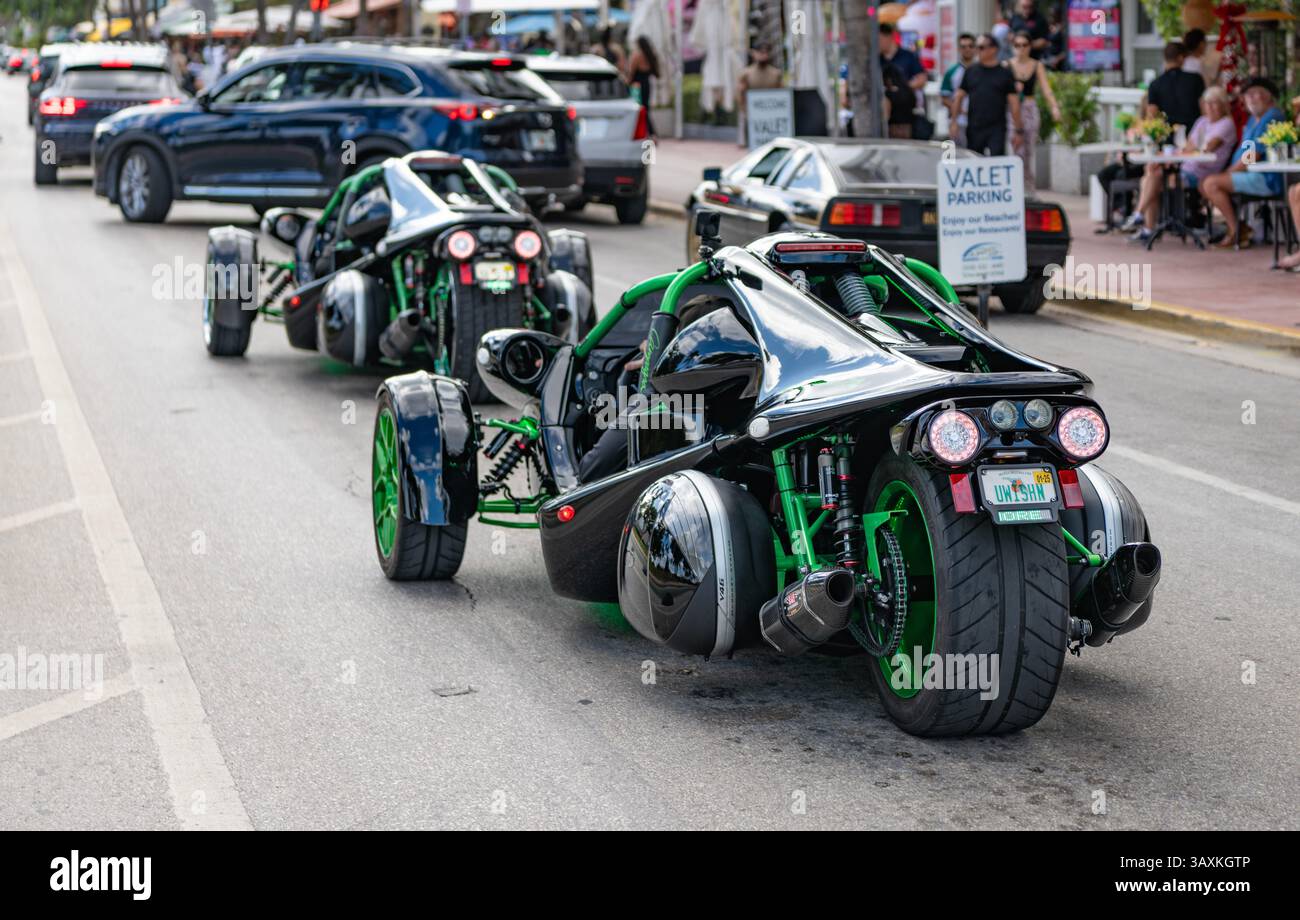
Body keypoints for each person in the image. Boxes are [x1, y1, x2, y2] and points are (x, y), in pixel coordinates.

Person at [1129, 86, 1236, 243]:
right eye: (1208, 103)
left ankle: (1142, 219)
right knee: (1150, 175)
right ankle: (1144, 224)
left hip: (1203, 173)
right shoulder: (1202, 121)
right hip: (1187, 167)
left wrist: (1189, 150)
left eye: (1215, 103)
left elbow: (1208, 147)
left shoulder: (1226, 124)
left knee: (1154, 178)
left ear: (1223, 105)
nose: (1210, 107)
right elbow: (1189, 147)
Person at [1200, 77, 1287, 249]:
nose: (1251, 98)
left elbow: (1252, 155)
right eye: (1248, 95)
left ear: (1268, 97)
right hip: (1248, 174)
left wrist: (1229, 173)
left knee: (1211, 184)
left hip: (1265, 177)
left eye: (1256, 94)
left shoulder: (1272, 116)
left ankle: (1236, 231)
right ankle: (1240, 228)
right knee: (1204, 184)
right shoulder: (1252, 120)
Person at [1007, 31, 1061, 189]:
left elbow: (1046, 89)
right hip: (1012, 110)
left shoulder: (1037, 65)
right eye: (1017, 45)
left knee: (1028, 150)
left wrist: (1054, 107)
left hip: (1029, 109)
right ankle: (1015, 185)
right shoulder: (1007, 65)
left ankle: (1028, 185)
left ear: (1030, 47)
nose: (1021, 49)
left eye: (1024, 45)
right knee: (1016, 149)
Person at [953, 34, 1021, 156]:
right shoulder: (971, 71)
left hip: (997, 128)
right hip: (974, 127)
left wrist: (1018, 130)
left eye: (981, 47)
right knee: (974, 161)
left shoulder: (1005, 73)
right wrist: (954, 122)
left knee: (997, 163)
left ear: (994, 49)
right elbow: (958, 97)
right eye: (977, 47)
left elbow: (1014, 103)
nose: (977, 50)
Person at [1145, 41, 1204, 134]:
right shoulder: (1195, 79)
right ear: (1181, 58)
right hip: (1193, 136)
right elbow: (1204, 107)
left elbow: (1152, 115)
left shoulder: (1155, 84)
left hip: (1167, 136)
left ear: (1165, 58)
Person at [738, 43, 783, 143]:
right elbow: (741, 96)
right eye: (760, 52)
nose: (763, 55)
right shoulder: (746, 74)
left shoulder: (776, 74)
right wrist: (745, 112)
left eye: (765, 52)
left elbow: (782, 96)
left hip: (773, 118)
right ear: (754, 53)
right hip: (753, 118)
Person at [941, 33, 977, 147]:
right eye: (963, 46)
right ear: (958, 49)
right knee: (954, 156)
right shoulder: (952, 71)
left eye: (971, 46)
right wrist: (960, 110)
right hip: (958, 121)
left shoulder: (982, 71)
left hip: (977, 121)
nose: (967, 49)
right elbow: (944, 98)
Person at [625, 36, 661, 139]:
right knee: (646, 109)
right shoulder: (650, 56)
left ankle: (648, 133)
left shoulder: (636, 56)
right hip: (647, 85)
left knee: (638, 110)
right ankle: (651, 133)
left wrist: (626, 83)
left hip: (637, 87)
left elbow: (631, 74)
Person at [1044, 7, 1067, 71]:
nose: (1052, 16)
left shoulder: (1064, 28)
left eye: (1054, 14)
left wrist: (1057, 59)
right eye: (1050, 14)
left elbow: (1066, 48)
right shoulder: (1049, 26)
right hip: (1048, 58)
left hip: (1059, 60)